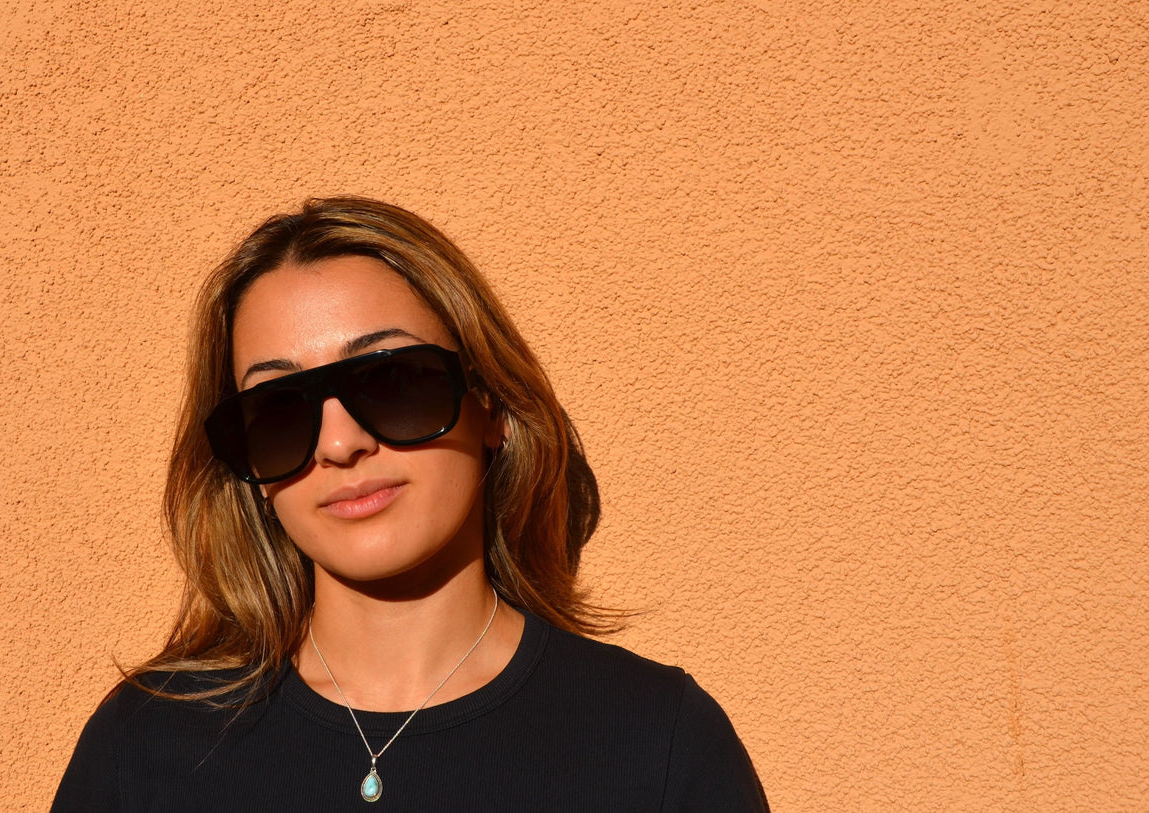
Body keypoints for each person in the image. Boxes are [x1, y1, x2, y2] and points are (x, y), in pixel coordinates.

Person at [51, 197, 770, 811]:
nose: (339, 443)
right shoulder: (145, 747)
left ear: (491, 407)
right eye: (276, 411)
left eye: (392, 381)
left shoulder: (655, 741)